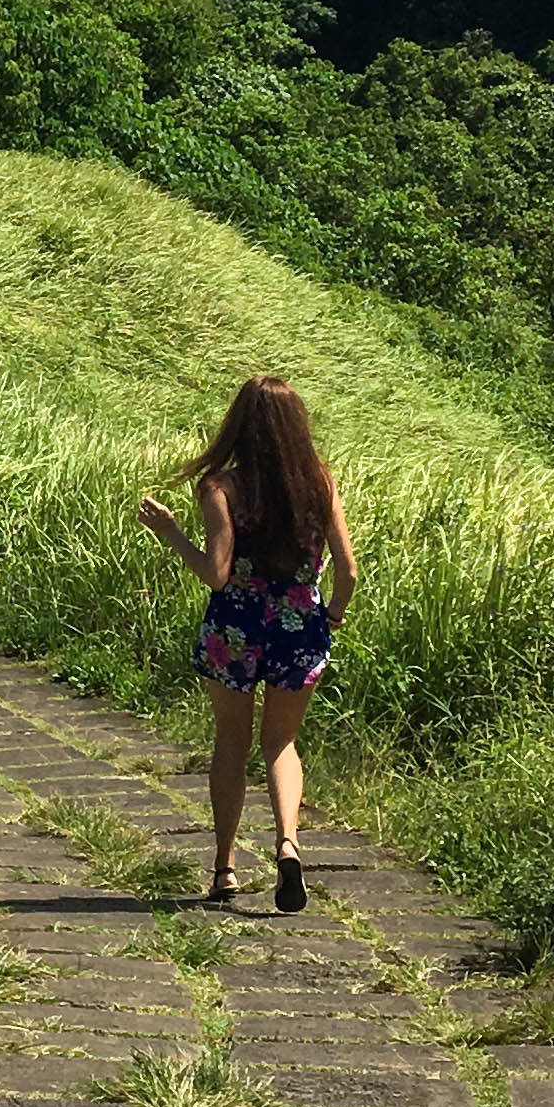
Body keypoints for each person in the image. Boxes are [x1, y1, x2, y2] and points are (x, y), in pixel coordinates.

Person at [134, 375, 358, 910]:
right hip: (300, 623)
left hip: (236, 625)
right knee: (281, 742)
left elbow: (216, 573)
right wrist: (330, 614)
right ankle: (287, 844)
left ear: (239, 425)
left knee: (231, 742)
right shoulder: (319, 483)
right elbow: (347, 571)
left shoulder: (221, 487)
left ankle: (224, 868)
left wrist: (170, 533)